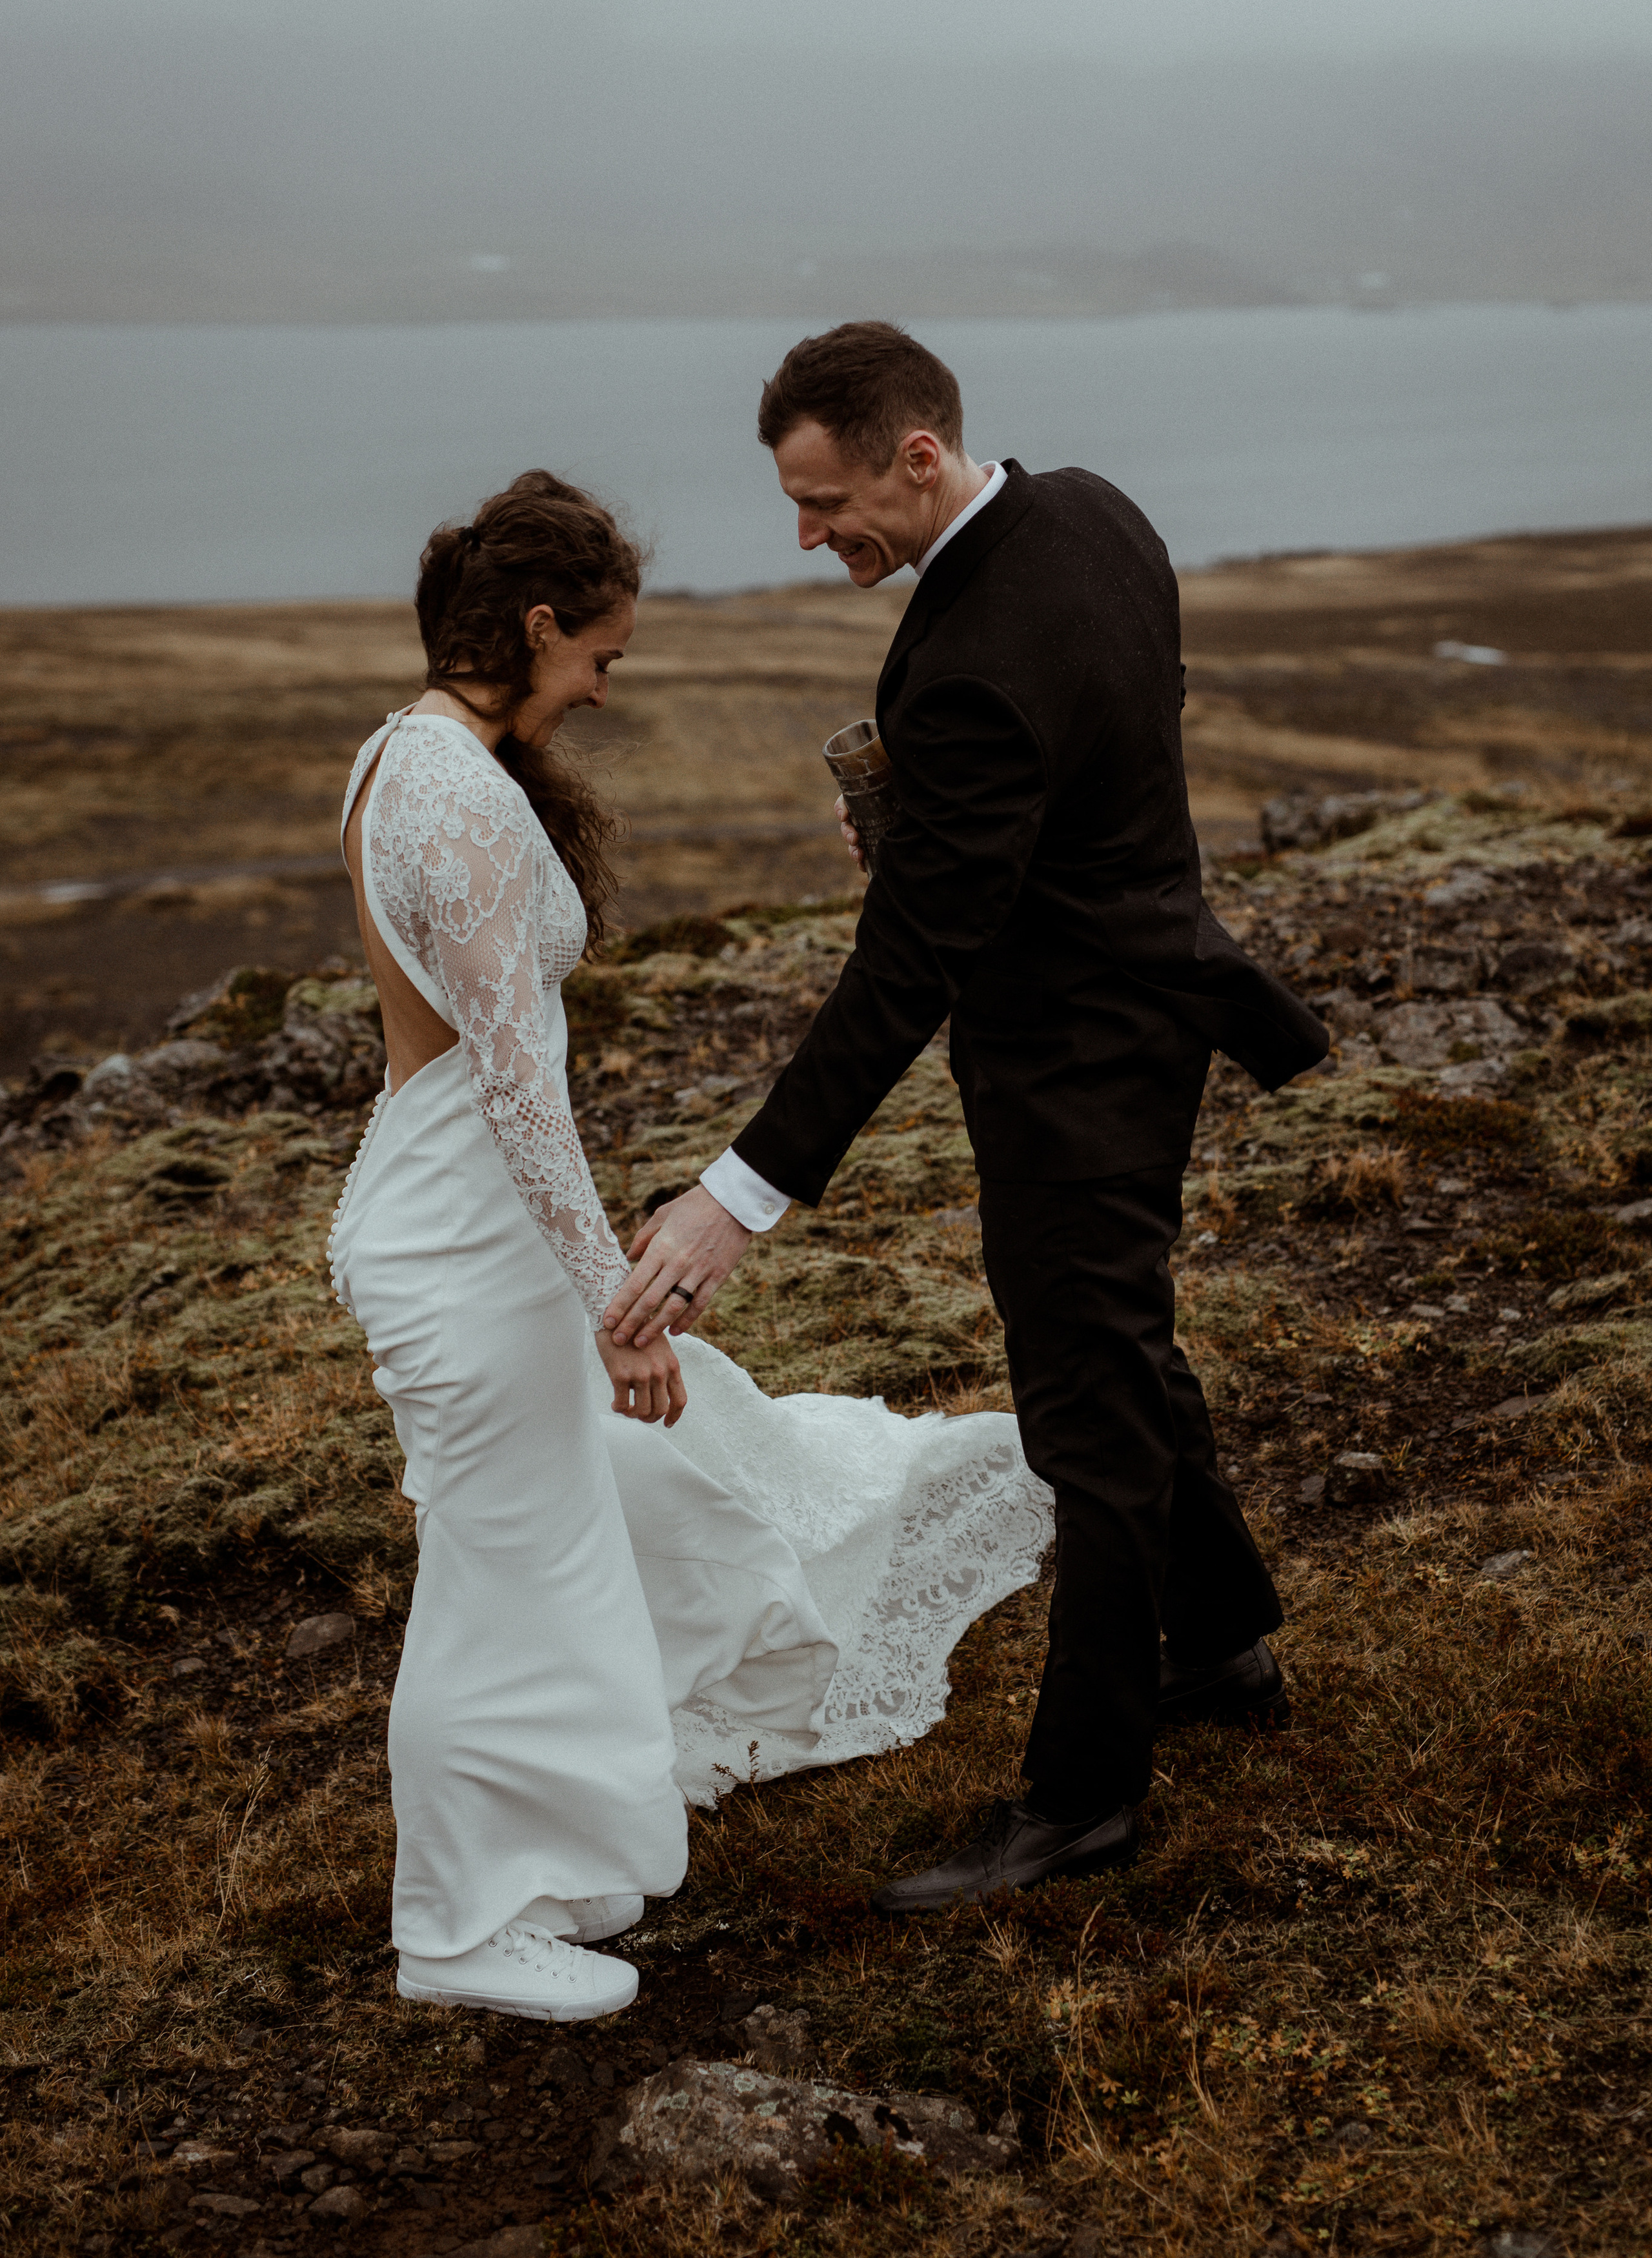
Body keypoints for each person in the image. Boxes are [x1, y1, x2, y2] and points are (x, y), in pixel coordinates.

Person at [605, 324, 1329, 1911]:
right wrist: (960, 836)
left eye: (824, 500)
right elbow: (1115, 740)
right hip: (1145, 1005)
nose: (807, 539)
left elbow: (906, 966)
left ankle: (1081, 1800)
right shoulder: (1095, 510)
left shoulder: (980, 661)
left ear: (916, 457)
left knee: (1087, 1411)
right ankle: (1219, 1644)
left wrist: (738, 1195)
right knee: (1115, 1338)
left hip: (1074, 1061)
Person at [327, 467, 1054, 2023]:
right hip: (462, 1234)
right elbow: (518, 1094)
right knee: (496, 1576)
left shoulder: (407, 755)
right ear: (530, 627)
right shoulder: (452, 794)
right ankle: (456, 1928)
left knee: (566, 1535)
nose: (601, 688)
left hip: (456, 1211)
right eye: (597, 657)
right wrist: (620, 1304)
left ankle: (549, 1854)